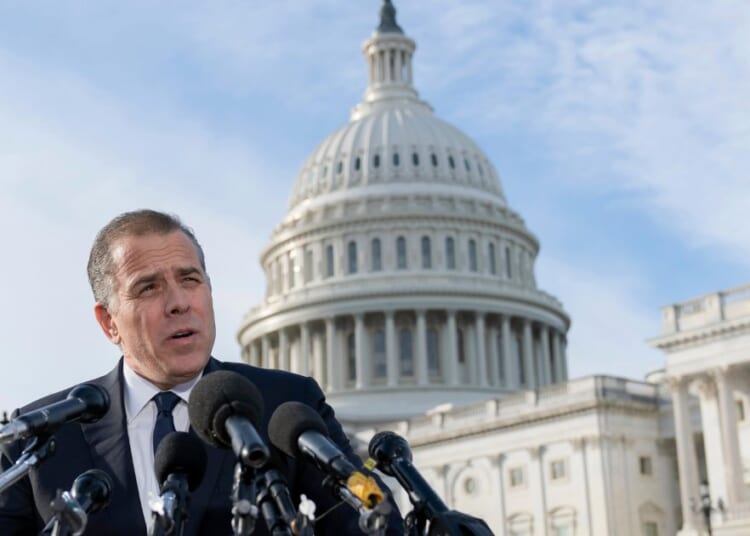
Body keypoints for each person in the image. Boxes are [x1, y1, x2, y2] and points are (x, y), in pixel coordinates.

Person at [0, 209, 402, 535]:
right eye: (148, 288)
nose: (179, 303)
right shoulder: (39, 438)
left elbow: (375, 521)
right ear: (109, 323)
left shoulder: (287, 407)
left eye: (190, 280)